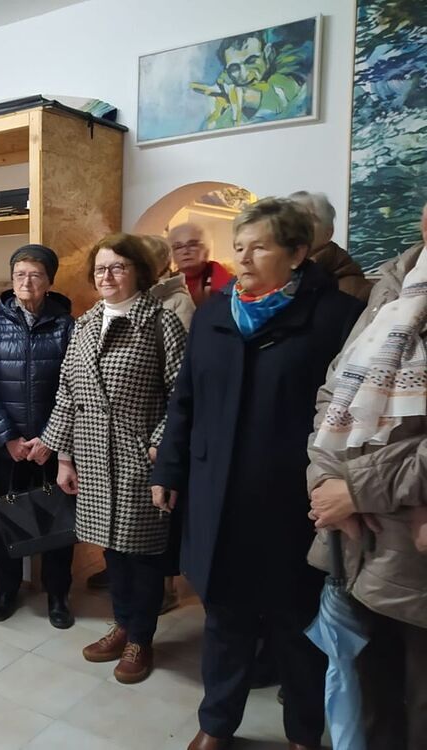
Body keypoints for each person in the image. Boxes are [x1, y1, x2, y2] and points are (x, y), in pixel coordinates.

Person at [151, 198, 364, 750]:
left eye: (259, 247)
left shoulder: (336, 317)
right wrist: (169, 467)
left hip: (293, 500)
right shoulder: (215, 314)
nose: (243, 259)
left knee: (297, 622)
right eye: (239, 247)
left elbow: (351, 416)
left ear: (297, 253)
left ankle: (303, 733)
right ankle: (217, 723)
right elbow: (185, 399)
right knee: (224, 618)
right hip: (217, 494)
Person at [306, 201, 427, 750]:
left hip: (409, 544)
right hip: (357, 538)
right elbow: (334, 394)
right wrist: (325, 488)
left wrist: (355, 490)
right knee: (365, 696)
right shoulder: (395, 284)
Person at [41, 233, 187, 684]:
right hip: (91, 455)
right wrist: (64, 457)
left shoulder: (161, 322)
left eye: (118, 267)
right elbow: (67, 392)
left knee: (142, 553)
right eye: (101, 268)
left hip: (138, 457)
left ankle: (141, 636)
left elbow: (183, 396)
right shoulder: (85, 324)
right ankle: (123, 624)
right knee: (112, 550)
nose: (107, 276)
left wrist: (160, 444)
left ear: (139, 272)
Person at [0, 244, 76, 628]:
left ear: (49, 281)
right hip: (8, 447)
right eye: (20, 274)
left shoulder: (67, 326)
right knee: (7, 521)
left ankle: (58, 595)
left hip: (53, 446)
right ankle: (6, 589)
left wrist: (51, 439)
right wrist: (8, 438)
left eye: (35, 275)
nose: (26, 281)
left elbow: (73, 388)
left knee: (58, 523)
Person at [288, 190, 372, 301]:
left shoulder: (354, 290)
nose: (295, 224)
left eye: (307, 219)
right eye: (290, 218)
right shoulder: (277, 277)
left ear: (328, 233)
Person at [167, 223, 234, 307]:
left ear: (206, 250)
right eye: (178, 247)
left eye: (192, 244)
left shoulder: (218, 275)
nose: (185, 251)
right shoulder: (169, 281)